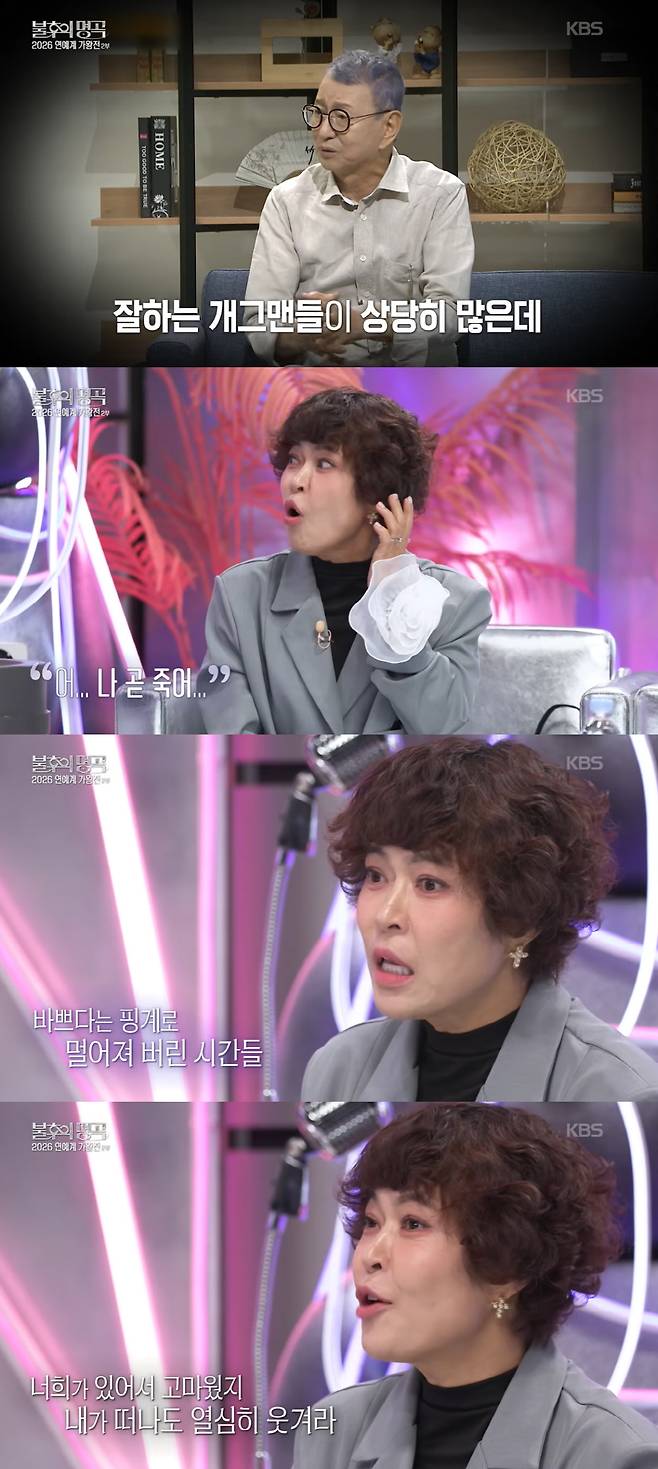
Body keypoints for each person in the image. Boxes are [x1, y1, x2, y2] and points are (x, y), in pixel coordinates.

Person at [292, 1103, 658, 1468]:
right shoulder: (334, 1432)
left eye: (413, 1224)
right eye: (372, 1222)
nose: (369, 1254)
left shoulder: (614, 1454)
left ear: (508, 1268)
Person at [301, 738, 658, 1100]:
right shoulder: (338, 1068)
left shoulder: (620, 1089)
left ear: (519, 919)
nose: (385, 915)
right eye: (376, 875)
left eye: (429, 884)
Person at [199, 390, 491, 735]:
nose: (296, 481)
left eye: (324, 463)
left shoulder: (455, 603)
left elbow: (441, 727)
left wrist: (393, 594)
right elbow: (229, 731)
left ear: (376, 495)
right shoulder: (240, 595)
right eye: (293, 459)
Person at [241, 50, 474, 367]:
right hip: (319, 385)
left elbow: (451, 315)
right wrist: (304, 334)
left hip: (416, 384)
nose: (323, 131)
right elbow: (260, 323)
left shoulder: (440, 195)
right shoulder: (286, 201)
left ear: (388, 127)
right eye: (318, 113)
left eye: (341, 117)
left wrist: (366, 323)